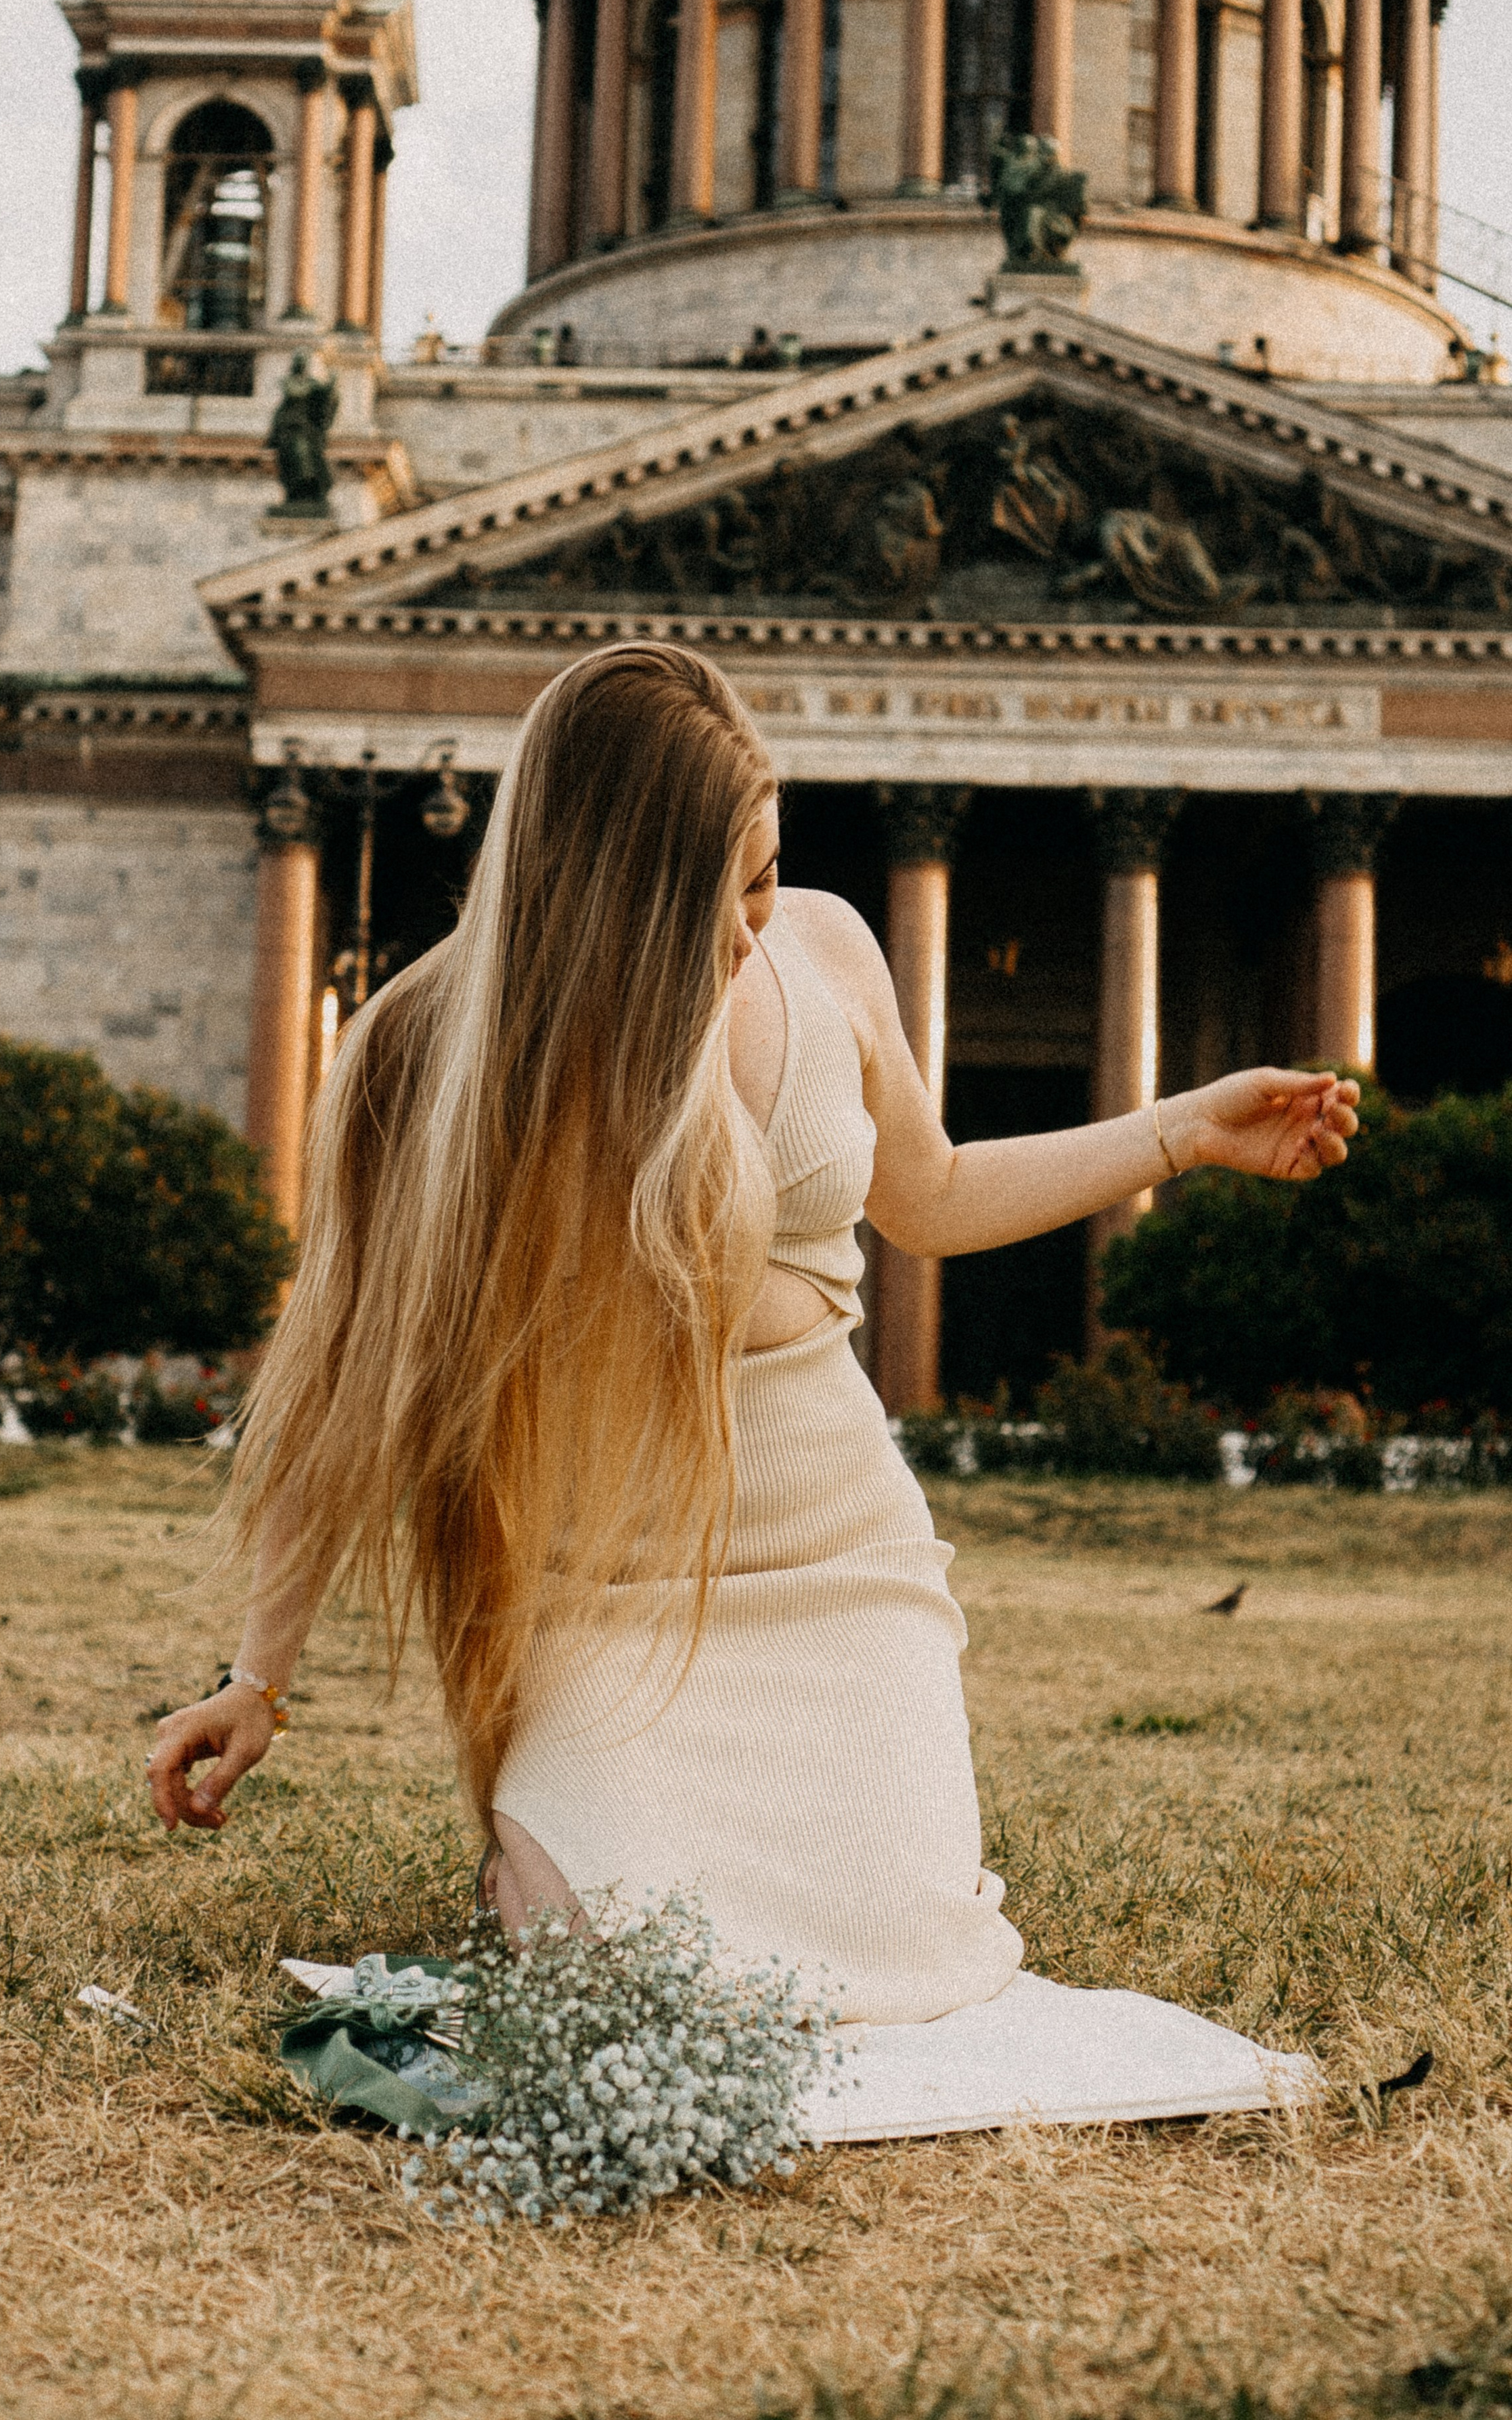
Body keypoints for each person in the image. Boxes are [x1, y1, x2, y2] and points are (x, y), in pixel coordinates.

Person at [146, 644, 1357, 2025]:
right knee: (622, 1983)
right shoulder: (421, 1048)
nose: (750, 923)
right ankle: (540, 1845)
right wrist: (258, 1682)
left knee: (903, 1976)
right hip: (602, 1596)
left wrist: (1175, 1132)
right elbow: (340, 1388)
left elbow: (936, 1197)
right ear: (606, 895)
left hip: (838, 1560)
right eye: (716, 893)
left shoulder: (826, 948)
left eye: (764, 873)